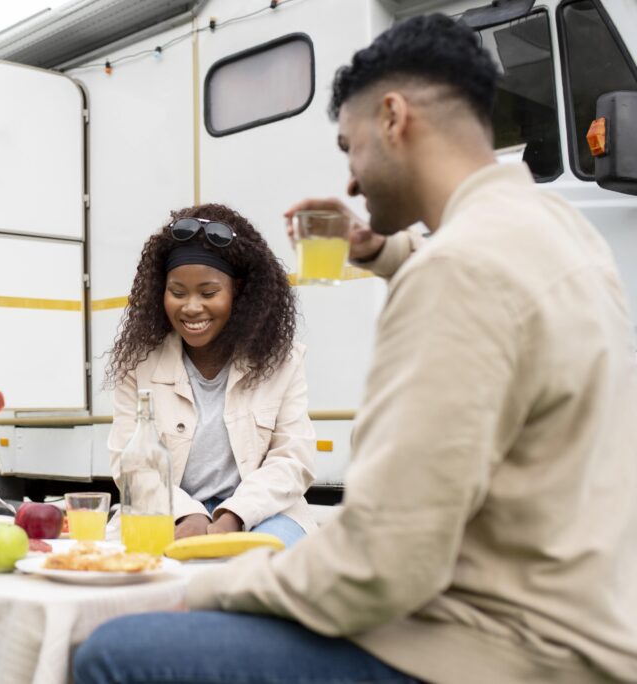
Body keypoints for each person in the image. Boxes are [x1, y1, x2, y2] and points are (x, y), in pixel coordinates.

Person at [75, 14, 637, 684]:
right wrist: (382, 251)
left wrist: (210, 592)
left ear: (394, 118)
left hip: (495, 649)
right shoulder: (557, 230)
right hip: (589, 625)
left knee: (112, 649)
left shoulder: (455, 274)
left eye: (351, 148)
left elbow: (383, 562)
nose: (350, 182)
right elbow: (483, 277)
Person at [106, 203, 316, 547]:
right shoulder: (138, 364)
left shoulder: (284, 361)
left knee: (262, 565)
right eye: (177, 292)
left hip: (262, 514)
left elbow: (293, 459)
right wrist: (187, 513)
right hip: (167, 513)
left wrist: (234, 515)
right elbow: (129, 466)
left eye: (208, 293)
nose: (191, 307)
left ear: (239, 292)